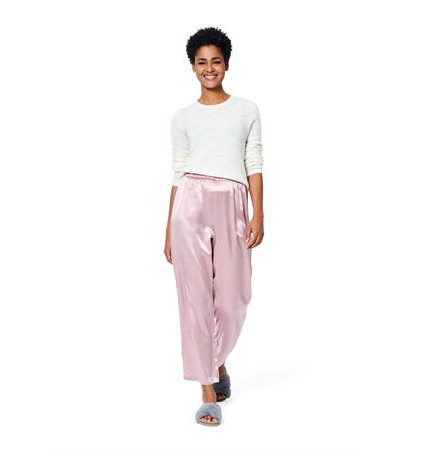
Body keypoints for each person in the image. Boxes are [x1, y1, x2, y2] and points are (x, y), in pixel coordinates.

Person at [163, 26, 264, 426]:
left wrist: (259, 214)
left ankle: (217, 360)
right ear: (192, 67)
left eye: (216, 61)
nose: (209, 68)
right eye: (202, 62)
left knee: (234, 297)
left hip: (232, 202)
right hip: (190, 203)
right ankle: (207, 387)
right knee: (195, 300)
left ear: (226, 65)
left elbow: (254, 163)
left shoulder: (247, 110)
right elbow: (177, 173)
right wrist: (167, 229)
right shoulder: (182, 118)